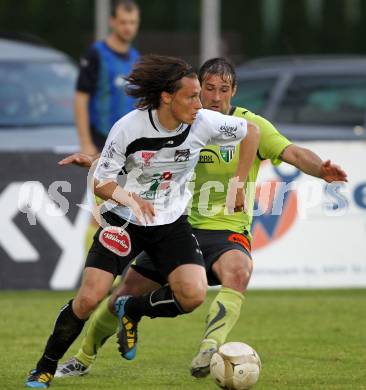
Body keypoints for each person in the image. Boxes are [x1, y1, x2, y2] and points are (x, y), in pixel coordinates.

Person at [54, 57, 347, 379]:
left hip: (224, 229)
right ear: (196, 89)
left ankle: (211, 347)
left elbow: (293, 153)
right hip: (175, 226)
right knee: (121, 297)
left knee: (238, 271)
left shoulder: (251, 126)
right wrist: (96, 161)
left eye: (224, 89)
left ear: (234, 91)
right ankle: (83, 358)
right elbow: (138, 151)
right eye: (208, 89)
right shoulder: (185, 121)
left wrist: (321, 170)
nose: (216, 97)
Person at [25, 54, 259, 388]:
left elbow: (251, 131)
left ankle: (132, 309)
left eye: (199, 96)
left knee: (193, 295)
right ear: (167, 97)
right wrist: (131, 198)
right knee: (90, 298)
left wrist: (238, 183)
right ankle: (45, 366)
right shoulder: (128, 128)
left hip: (171, 224)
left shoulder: (203, 122)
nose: (200, 103)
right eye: (192, 96)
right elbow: (101, 183)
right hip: (123, 221)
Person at [76, 0, 140, 255]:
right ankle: (90, 271)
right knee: (100, 211)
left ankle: (123, 276)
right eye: (123, 22)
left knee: (128, 211)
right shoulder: (96, 54)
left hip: (131, 148)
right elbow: (81, 98)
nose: (128, 28)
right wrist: (85, 142)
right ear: (113, 22)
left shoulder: (136, 58)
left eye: (133, 22)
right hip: (102, 142)